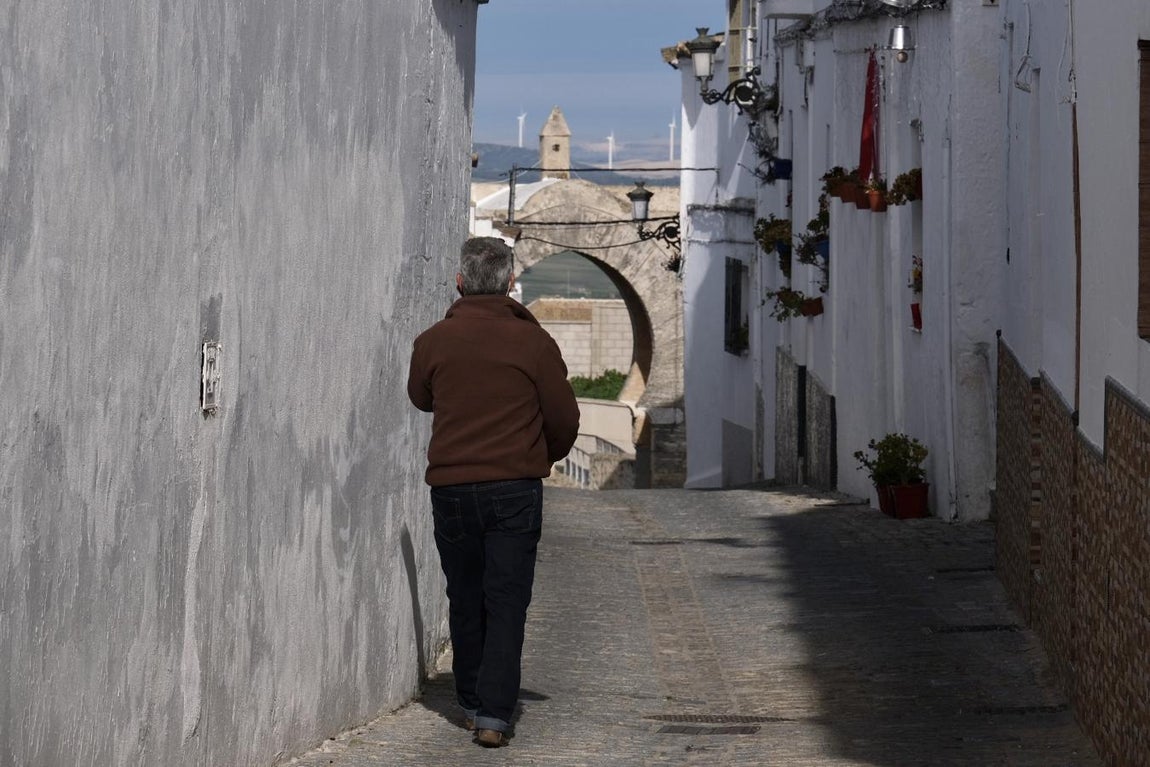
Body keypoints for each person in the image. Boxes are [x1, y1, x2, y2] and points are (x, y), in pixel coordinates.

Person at [407, 236, 580, 748]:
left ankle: (468, 698)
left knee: (465, 596)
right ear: (510, 283)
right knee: (506, 600)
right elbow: (564, 418)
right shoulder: (535, 344)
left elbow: (420, 397)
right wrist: (540, 455)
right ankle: (493, 715)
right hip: (514, 488)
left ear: (460, 282)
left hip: (452, 489)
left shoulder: (433, 341)